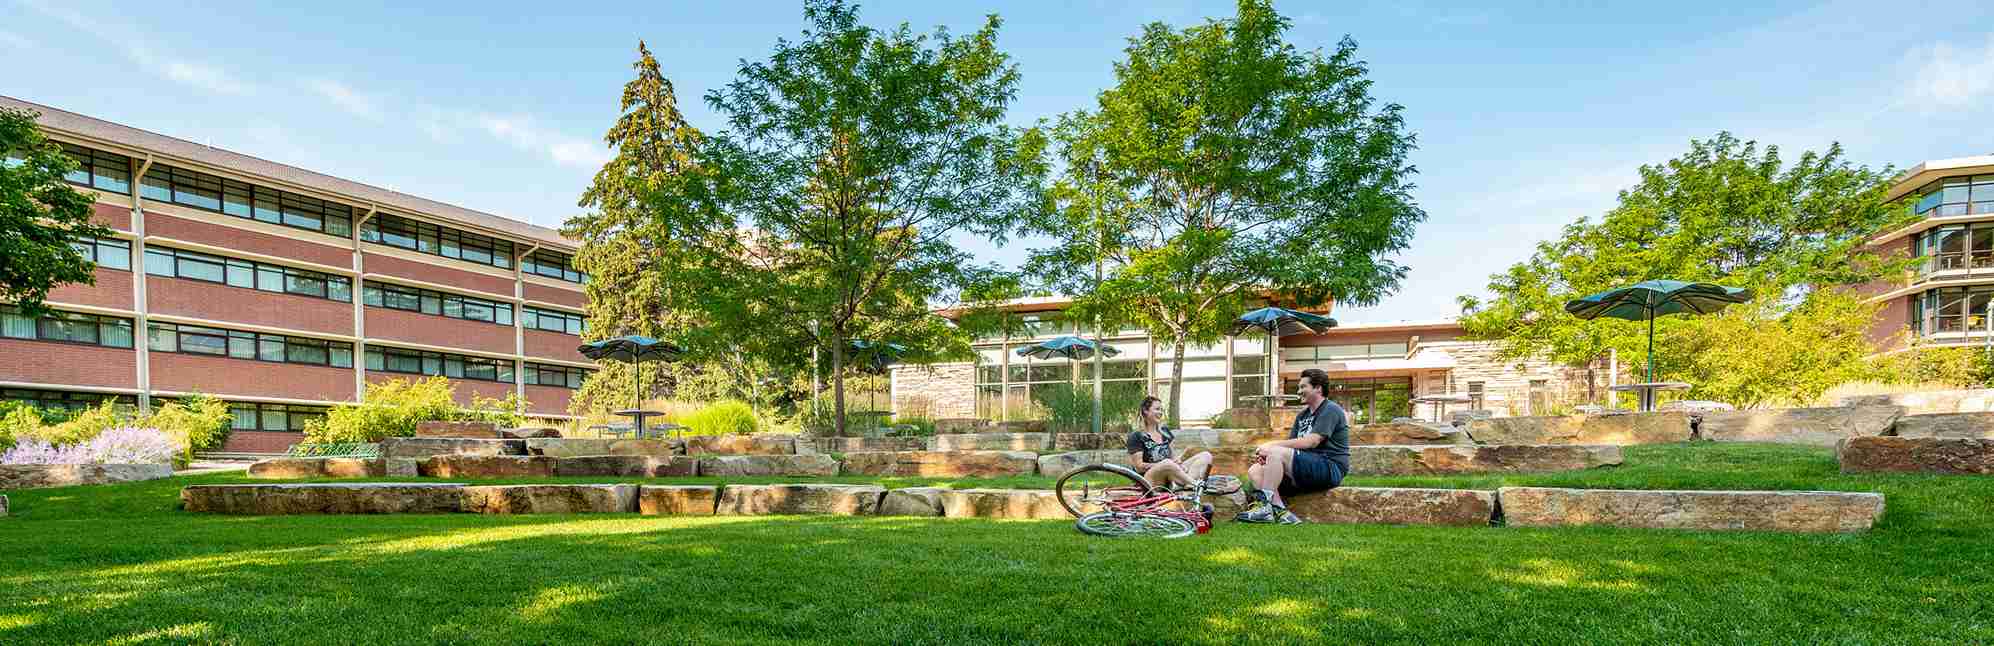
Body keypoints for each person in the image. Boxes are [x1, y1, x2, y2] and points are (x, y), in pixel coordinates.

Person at [1237, 367, 1349, 524]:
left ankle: (1264, 506)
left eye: (1303, 387)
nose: (1299, 391)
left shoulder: (1330, 410)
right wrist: (1267, 459)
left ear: (1318, 388)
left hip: (1329, 467)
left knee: (1275, 452)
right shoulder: (1302, 416)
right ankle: (1281, 513)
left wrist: (1271, 446)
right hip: (1305, 467)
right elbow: (1290, 450)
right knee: (1255, 469)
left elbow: (1312, 441)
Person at [1125, 396, 1215, 491]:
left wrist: (1178, 464)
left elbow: (1172, 458)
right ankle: (1195, 484)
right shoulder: (1136, 436)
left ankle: (1187, 486)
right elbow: (1139, 467)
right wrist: (1165, 464)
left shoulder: (1165, 432)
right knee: (1167, 463)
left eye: (1161, 410)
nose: (1160, 413)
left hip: (1169, 474)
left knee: (1206, 456)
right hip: (1149, 481)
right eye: (1157, 409)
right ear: (1145, 411)